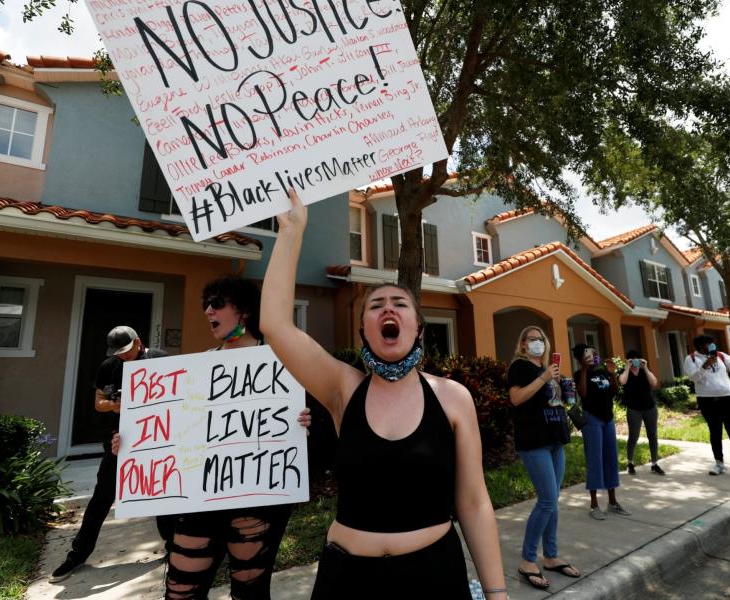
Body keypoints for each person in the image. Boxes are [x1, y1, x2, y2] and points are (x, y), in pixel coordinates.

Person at [260, 190, 507, 600]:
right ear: (364, 331)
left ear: (418, 329)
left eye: (400, 304)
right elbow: (275, 325)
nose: (388, 309)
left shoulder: (452, 397)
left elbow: (474, 503)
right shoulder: (342, 388)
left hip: (435, 579)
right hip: (347, 581)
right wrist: (291, 231)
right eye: (376, 306)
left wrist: (497, 593)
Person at [164, 275, 310, 599]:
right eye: (206, 305)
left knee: (250, 593)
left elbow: (310, 429)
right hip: (201, 500)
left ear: (243, 311)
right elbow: (178, 432)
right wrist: (134, 444)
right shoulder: (202, 364)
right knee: (179, 591)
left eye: (216, 303)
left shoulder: (280, 363)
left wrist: (304, 423)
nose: (207, 311)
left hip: (256, 501)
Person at [49, 326, 168, 583]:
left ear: (139, 343)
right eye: (117, 353)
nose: (122, 356)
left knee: (162, 492)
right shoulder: (109, 366)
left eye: (125, 351)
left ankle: (172, 546)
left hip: (157, 438)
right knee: (102, 497)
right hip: (118, 440)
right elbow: (98, 401)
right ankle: (77, 555)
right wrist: (116, 404)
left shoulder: (160, 359)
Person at [507, 327, 580, 591]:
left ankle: (550, 556)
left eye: (541, 339)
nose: (537, 343)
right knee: (547, 500)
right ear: (523, 345)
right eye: (532, 340)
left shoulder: (550, 368)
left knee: (553, 501)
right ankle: (528, 560)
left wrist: (563, 388)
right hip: (533, 441)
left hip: (554, 439)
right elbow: (516, 398)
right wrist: (545, 378)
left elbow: (552, 401)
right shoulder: (520, 367)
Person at [683, 335, 730, 480]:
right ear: (699, 346)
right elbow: (694, 378)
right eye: (708, 344)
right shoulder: (690, 359)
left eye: (712, 343)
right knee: (715, 431)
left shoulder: (721, 355)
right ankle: (719, 463)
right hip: (707, 400)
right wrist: (705, 365)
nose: (711, 346)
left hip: (729, 397)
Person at [574, 345, 630, 521]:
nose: (592, 356)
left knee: (610, 459)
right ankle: (594, 505)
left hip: (608, 419)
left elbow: (614, 391)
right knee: (595, 459)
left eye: (592, 352)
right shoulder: (579, 374)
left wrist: (612, 373)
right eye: (587, 354)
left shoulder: (603, 372)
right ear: (580, 358)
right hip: (592, 419)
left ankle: (612, 502)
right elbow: (582, 393)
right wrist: (584, 369)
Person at [618, 350, 665, 476]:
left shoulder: (645, 371)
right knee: (633, 436)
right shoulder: (625, 372)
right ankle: (630, 463)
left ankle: (654, 463)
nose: (635, 361)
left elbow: (654, 383)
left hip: (650, 407)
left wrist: (645, 368)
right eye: (632, 359)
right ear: (628, 360)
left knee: (653, 436)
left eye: (637, 359)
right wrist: (627, 367)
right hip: (634, 409)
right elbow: (622, 381)